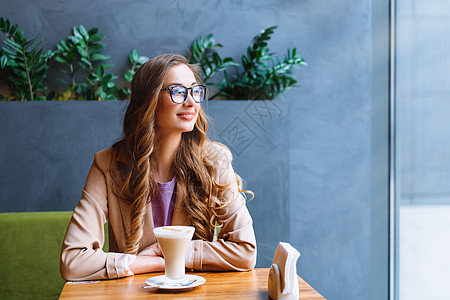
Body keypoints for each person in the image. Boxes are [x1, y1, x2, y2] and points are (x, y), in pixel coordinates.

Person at [60, 54, 257, 281]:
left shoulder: (215, 160)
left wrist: (174, 254)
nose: (191, 102)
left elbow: (246, 251)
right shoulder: (107, 164)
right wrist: (150, 263)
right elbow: (73, 262)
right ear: (149, 100)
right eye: (178, 91)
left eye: (195, 91)